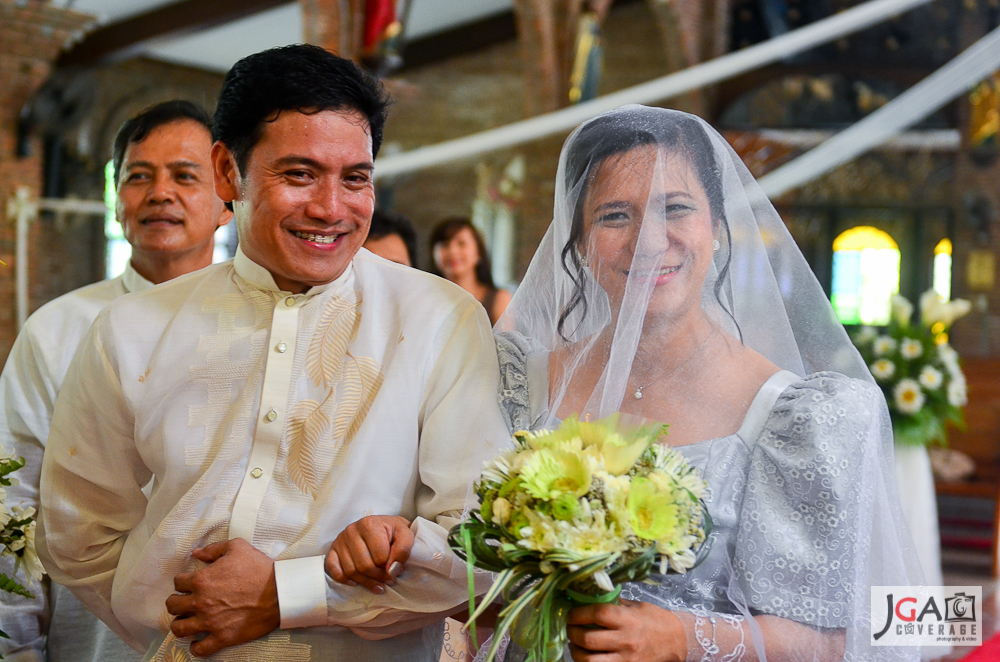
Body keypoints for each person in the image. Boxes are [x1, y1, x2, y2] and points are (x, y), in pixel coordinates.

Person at [37, 45, 505, 661]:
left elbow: (482, 549)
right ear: (228, 173)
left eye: (355, 178)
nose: (331, 208)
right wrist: (181, 625)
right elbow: (77, 533)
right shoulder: (131, 331)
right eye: (299, 174)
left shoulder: (439, 320)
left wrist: (289, 596)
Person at [491, 106, 922, 661]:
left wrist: (684, 638)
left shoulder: (804, 420)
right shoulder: (517, 385)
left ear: (716, 227)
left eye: (676, 209)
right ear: (577, 242)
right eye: (614, 216)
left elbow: (860, 635)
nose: (649, 241)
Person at [0, 99, 231, 662]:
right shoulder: (58, 329)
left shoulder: (266, 323)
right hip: (91, 638)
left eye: (184, 176)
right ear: (117, 198)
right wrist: (17, 646)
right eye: (138, 176)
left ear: (228, 199)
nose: (160, 193)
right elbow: (13, 495)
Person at [430, 218, 511, 325]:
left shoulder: (499, 299)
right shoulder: (426, 299)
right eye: (445, 244)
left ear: (478, 253)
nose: (453, 251)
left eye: (461, 244)